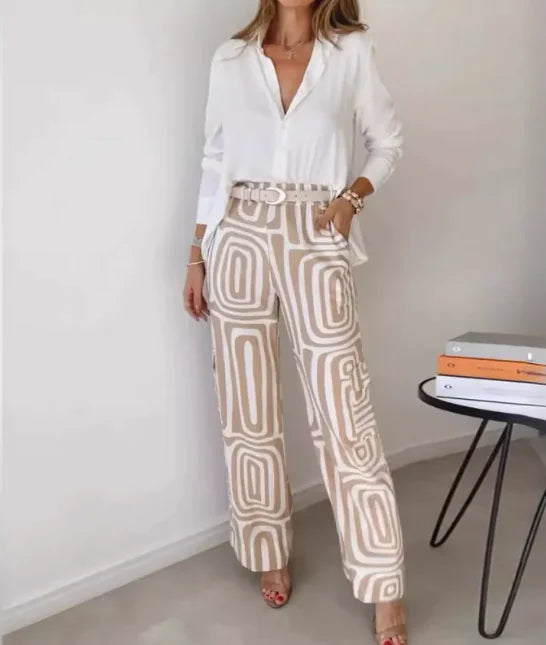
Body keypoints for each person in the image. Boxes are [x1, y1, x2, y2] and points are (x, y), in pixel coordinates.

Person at [183, 1, 407, 643]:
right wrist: (196, 254)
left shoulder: (350, 51)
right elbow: (213, 162)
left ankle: (384, 583)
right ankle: (267, 549)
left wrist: (351, 199)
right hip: (239, 232)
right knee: (246, 409)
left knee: (345, 412)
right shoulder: (230, 59)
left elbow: (388, 143)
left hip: (316, 230)